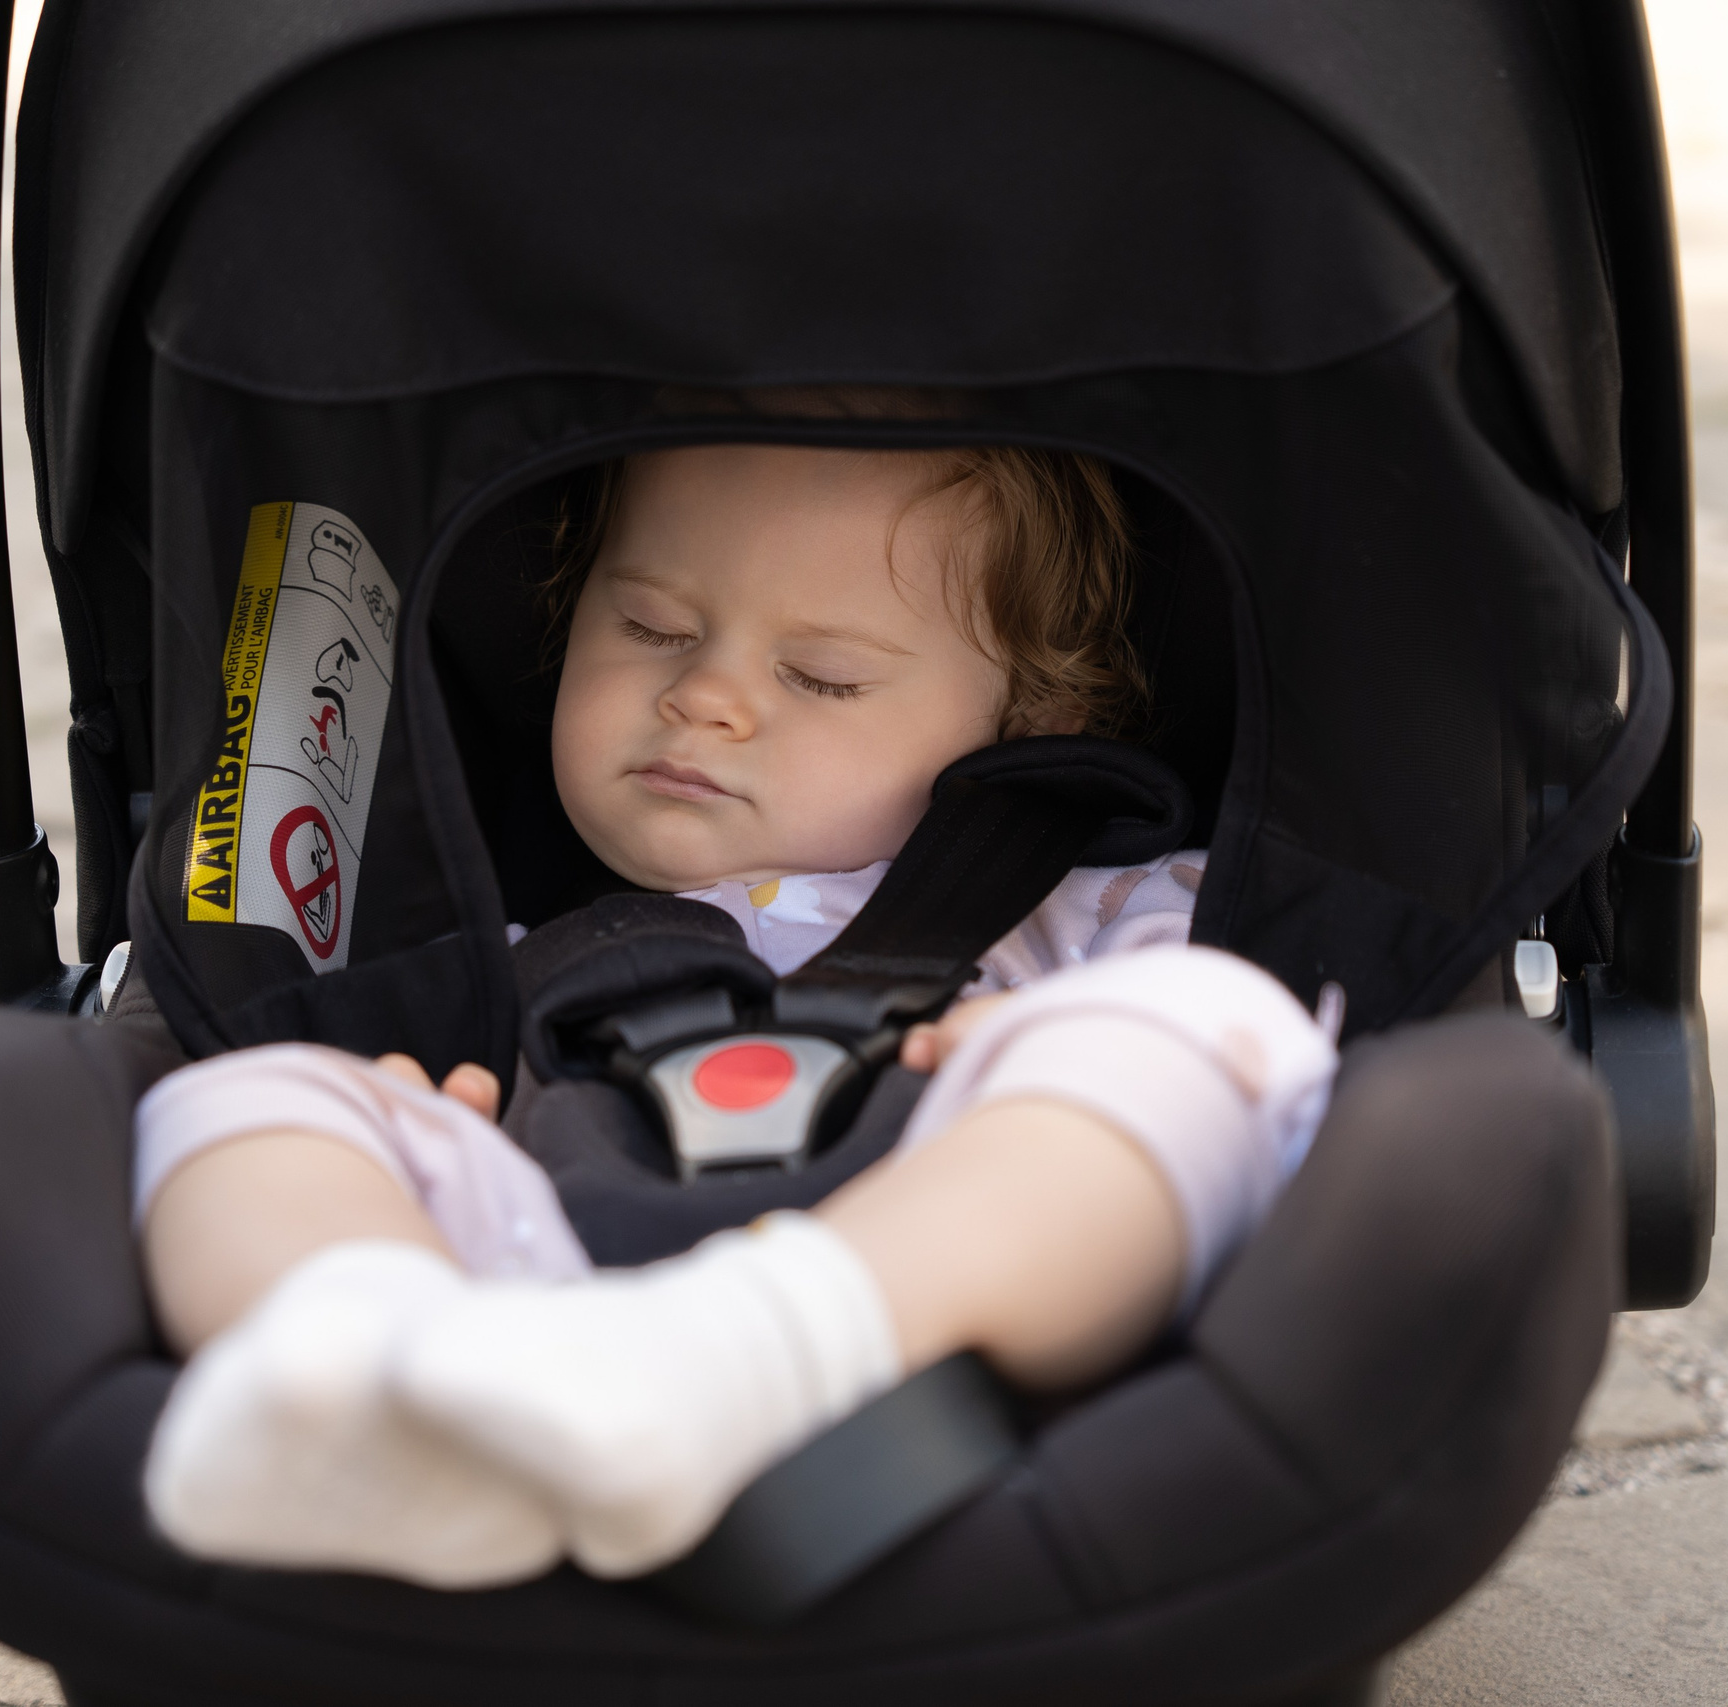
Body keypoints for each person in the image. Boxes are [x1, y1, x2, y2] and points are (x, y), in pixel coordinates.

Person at [134, 442, 1340, 1591]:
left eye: (823, 676)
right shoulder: (492, 958)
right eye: (648, 626)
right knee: (256, 1087)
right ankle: (357, 1355)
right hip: (538, 1315)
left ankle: (766, 1349)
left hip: (944, 1292)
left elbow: (1263, 1067)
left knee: (1209, 1025)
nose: (704, 694)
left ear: (1025, 719)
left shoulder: (1088, 911)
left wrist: (1077, 1034)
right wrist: (408, 1130)